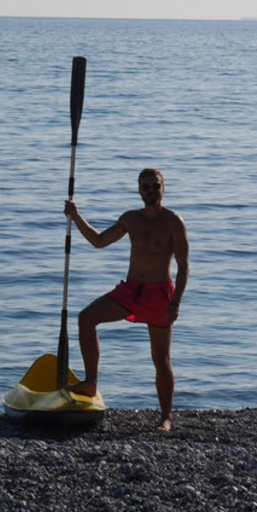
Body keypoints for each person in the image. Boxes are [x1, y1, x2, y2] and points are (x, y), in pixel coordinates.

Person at [63, 168, 190, 432]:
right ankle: (90, 382)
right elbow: (99, 241)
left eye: (155, 186)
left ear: (163, 188)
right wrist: (76, 217)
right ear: (139, 190)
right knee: (86, 318)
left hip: (159, 295)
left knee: (161, 357)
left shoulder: (173, 222)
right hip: (131, 291)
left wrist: (175, 303)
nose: (151, 191)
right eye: (145, 187)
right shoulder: (131, 219)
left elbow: (184, 266)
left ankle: (166, 417)